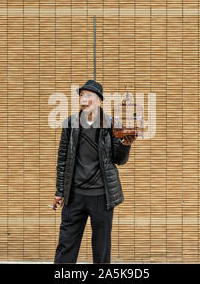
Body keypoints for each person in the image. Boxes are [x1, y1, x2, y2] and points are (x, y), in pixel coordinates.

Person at [52, 79, 135, 264]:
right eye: (81, 95)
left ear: (99, 100)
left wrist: (125, 145)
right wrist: (60, 191)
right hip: (74, 195)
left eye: (88, 95)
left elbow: (119, 160)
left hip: (101, 197)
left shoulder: (111, 124)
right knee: (66, 246)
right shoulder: (70, 124)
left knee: (101, 249)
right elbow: (63, 159)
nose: (83, 99)